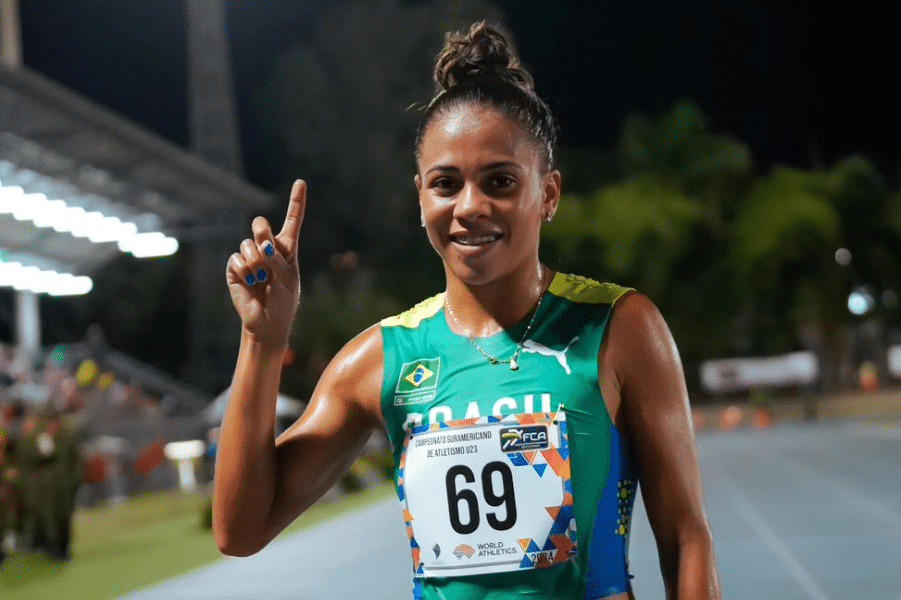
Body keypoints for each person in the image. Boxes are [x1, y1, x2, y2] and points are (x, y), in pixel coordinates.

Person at [214, 22, 721, 600]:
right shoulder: (381, 360)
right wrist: (263, 339)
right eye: (445, 184)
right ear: (421, 196)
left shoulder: (620, 328)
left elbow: (685, 537)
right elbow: (241, 529)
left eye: (500, 181)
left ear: (548, 193)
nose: (470, 207)